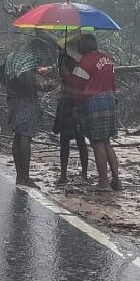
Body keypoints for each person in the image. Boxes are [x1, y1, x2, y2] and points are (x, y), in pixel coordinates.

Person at [69, 34, 121, 191]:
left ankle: (104, 183)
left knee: (97, 142)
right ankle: (116, 180)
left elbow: (77, 84)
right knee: (106, 142)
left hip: (94, 102)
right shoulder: (107, 58)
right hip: (110, 99)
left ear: (82, 47)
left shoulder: (85, 61)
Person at [3, 37, 55, 188]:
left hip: (13, 102)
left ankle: (20, 176)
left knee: (18, 136)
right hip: (26, 103)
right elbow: (29, 83)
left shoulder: (13, 59)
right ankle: (25, 176)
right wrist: (44, 86)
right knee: (25, 137)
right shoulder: (23, 67)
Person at [53, 51, 88, 184]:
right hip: (75, 104)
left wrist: (66, 76)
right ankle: (80, 174)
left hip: (70, 104)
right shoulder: (78, 62)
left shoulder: (72, 66)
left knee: (68, 141)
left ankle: (65, 175)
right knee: (79, 140)